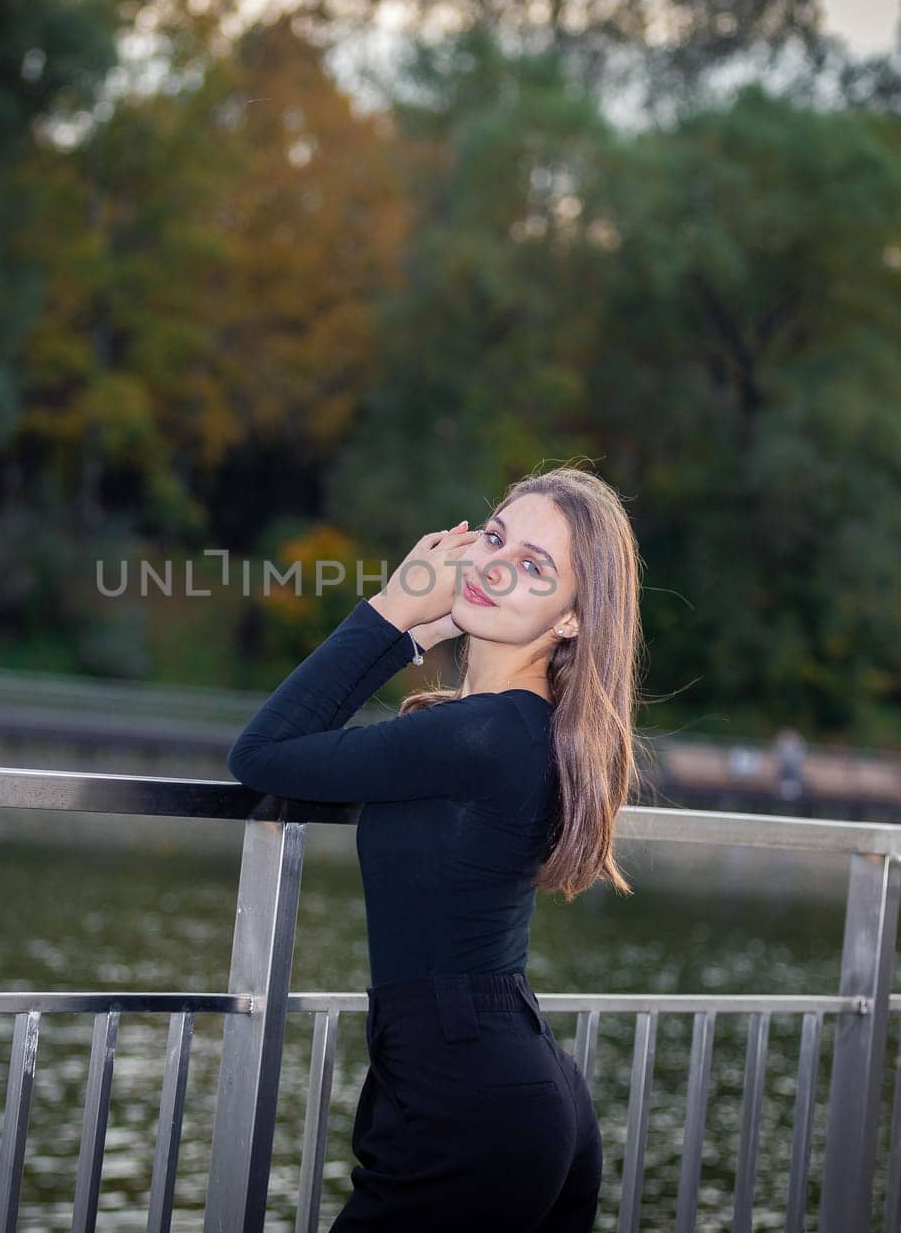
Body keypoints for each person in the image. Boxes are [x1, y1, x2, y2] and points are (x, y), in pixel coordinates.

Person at [227, 463, 648, 1232]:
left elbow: (262, 754)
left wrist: (393, 610)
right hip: (511, 1091)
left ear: (572, 620)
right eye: (494, 538)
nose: (494, 566)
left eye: (534, 567)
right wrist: (421, 632)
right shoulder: (514, 731)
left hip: (468, 1109)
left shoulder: (477, 735)